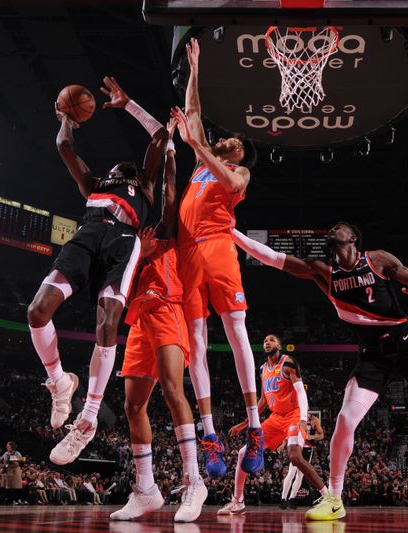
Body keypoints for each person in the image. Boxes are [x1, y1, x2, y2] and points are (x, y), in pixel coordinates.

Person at [232, 223, 408, 522]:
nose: (332, 229)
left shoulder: (377, 259)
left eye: (339, 228)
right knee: (345, 419)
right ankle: (334, 498)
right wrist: (233, 234)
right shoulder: (324, 272)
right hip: (373, 355)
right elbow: (272, 258)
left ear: (353, 238)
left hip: (406, 342)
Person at [27, 77, 168, 466]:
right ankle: (59, 382)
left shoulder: (145, 181)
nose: (122, 163)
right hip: (88, 234)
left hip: (124, 240)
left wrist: (128, 105)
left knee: (107, 324)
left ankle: (87, 419)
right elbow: (63, 146)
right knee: (36, 312)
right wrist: (66, 119)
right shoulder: (94, 184)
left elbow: (161, 139)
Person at [99, 81, 207, 522]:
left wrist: (168, 156)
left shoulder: (162, 226)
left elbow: (166, 183)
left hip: (167, 309)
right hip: (139, 319)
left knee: (171, 387)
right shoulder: (122, 234)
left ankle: (193, 482)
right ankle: (145, 489)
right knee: (132, 405)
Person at [168, 37, 261, 477]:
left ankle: (255, 428)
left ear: (239, 152)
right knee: (196, 346)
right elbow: (194, 115)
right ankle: (209, 434)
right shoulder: (199, 164)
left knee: (237, 331)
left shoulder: (237, 171)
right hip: (186, 255)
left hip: (218, 247)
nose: (222, 139)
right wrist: (196, 71)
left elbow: (229, 177)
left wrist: (199, 145)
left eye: (231, 140)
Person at [217, 335, 329, 515]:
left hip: (293, 415)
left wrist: (302, 418)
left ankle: (328, 497)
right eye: (264, 341)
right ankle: (238, 501)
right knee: (243, 453)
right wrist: (246, 423)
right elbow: (263, 400)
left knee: (295, 456)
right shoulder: (263, 369)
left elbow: (301, 392)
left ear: (279, 345)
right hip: (276, 418)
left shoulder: (288, 363)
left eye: (271, 340)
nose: (267, 342)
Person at [281, 410, 325, 508]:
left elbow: (321, 434)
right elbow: (287, 431)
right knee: (291, 472)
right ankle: (283, 499)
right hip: (295, 445)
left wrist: (312, 436)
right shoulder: (294, 416)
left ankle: (292, 499)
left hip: (307, 447)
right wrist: (283, 443)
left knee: (300, 475)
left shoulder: (313, 419)